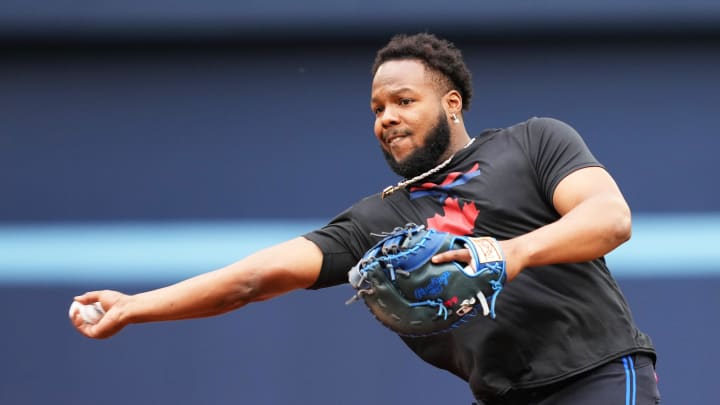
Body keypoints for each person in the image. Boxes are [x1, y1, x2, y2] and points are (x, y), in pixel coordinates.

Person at [70, 33, 660, 404]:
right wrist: (135, 306)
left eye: (405, 101)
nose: (387, 117)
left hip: (598, 376)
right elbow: (254, 279)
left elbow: (609, 218)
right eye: (378, 108)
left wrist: (508, 253)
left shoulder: (533, 142)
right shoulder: (377, 219)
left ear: (451, 103)